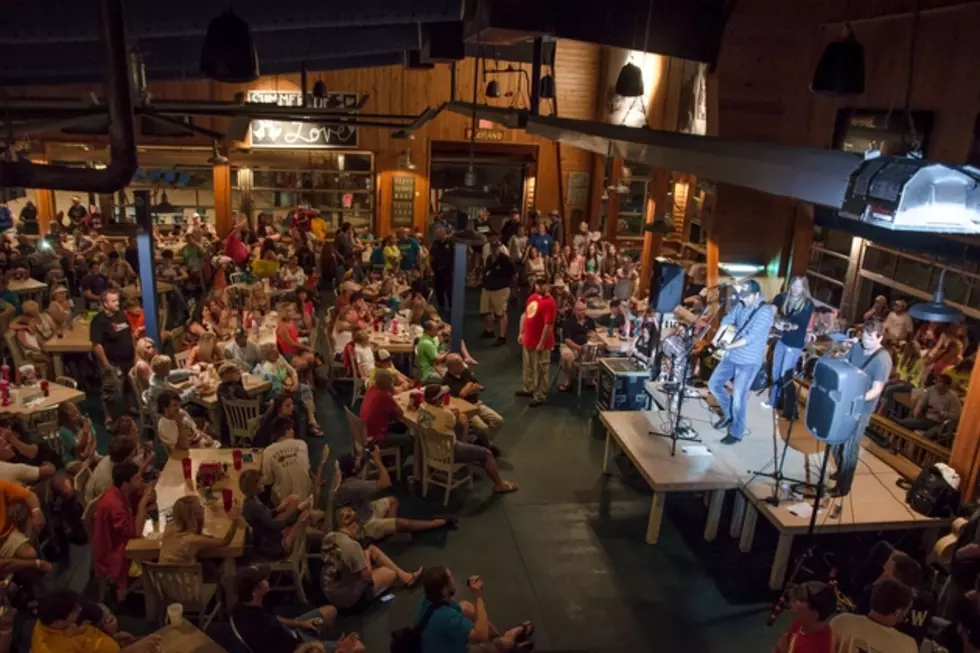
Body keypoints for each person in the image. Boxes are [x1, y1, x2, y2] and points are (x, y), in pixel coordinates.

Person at [335, 447, 455, 542]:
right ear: (352, 471)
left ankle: (392, 533)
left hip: (366, 509)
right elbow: (385, 483)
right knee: (404, 523)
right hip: (365, 524)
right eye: (355, 460)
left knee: (393, 500)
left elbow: (358, 467)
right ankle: (437, 523)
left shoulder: (346, 479)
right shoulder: (352, 486)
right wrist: (377, 461)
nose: (357, 459)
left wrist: (367, 455)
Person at [707, 279, 774, 444]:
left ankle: (736, 432)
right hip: (732, 356)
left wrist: (729, 346)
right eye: (742, 296)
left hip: (748, 361)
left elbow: (750, 338)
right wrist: (715, 340)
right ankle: (729, 415)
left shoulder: (764, 312)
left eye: (746, 297)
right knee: (714, 384)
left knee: (739, 396)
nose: (743, 299)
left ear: (756, 294)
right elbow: (728, 319)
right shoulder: (742, 304)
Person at [419, 384, 517, 494]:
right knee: (487, 454)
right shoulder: (446, 414)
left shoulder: (421, 408)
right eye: (442, 396)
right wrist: (459, 415)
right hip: (449, 452)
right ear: (438, 400)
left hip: (430, 450)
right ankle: (500, 485)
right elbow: (458, 424)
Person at [832, 319, 891, 497]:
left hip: (861, 408)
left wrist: (858, 397)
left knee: (850, 446)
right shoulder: (858, 347)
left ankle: (844, 485)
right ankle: (841, 470)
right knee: (835, 442)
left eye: (870, 339)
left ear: (880, 338)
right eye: (864, 337)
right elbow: (845, 364)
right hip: (845, 401)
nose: (866, 342)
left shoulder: (882, 360)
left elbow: (877, 389)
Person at [321, 507, 421, 610]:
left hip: (329, 589)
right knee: (391, 573)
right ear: (354, 526)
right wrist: (367, 556)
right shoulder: (352, 546)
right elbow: (367, 578)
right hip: (347, 599)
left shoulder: (330, 536)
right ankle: (399, 579)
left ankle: (407, 577)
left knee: (372, 549)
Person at [416, 566, 534, 653]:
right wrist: (478, 595)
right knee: (503, 643)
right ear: (444, 590)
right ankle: (507, 643)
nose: (453, 579)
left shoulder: (427, 600)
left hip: (433, 646)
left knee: (465, 606)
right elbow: (481, 635)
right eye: (450, 578)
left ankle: (500, 641)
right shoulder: (448, 617)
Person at [231, 564, 343, 651]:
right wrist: (320, 647)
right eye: (263, 579)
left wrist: (299, 624)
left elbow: (276, 618)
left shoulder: (244, 605)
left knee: (331, 611)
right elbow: (298, 649)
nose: (267, 580)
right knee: (357, 648)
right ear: (255, 591)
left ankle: (322, 640)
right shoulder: (265, 629)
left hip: (291, 633)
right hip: (299, 647)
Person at [93, 462, 155, 600]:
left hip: (117, 539)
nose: (141, 481)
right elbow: (136, 532)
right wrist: (143, 503)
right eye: (137, 479)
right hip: (114, 550)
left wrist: (146, 493)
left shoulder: (118, 491)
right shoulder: (114, 504)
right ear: (126, 483)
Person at [31, 589, 162, 653]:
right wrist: (130, 651)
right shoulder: (54, 649)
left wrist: (113, 638)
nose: (80, 610)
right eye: (75, 611)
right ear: (57, 622)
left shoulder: (48, 622)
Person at [239, 468, 312, 561]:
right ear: (254, 486)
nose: (264, 484)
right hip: (271, 549)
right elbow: (274, 526)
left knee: (294, 500)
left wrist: (278, 509)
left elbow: (265, 517)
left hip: (269, 538)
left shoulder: (252, 500)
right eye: (260, 483)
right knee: (302, 515)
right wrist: (298, 510)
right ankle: (291, 551)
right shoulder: (253, 507)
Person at [767, 276, 815, 412]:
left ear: (804, 288)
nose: (795, 289)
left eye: (799, 286)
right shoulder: (785, 297)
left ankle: (789, 408)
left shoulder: (807, 304)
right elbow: (774, 304)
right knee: (775, 372)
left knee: (784, 375)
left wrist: (784, 326)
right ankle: (773, 401)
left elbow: (799, 325)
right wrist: (775, 319)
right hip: (782, 341)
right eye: (793, 285)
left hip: (794, 344)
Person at [830, 578, 917, 653]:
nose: (906, 614)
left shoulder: (842, 622)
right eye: (906, 610)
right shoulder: (907, 646)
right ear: (897, 612)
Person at [442, 354, 503, 449]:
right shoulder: (446, 381)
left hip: (477, 403)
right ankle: (486, 445)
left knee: (498, 421)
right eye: (459, 363)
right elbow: (462, 395)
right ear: (452, 367)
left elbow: (478, 386)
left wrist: (468, 389)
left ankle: (483, 442)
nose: (463, 364)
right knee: (483, 428)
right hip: (466, 410)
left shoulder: (465, 372)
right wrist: (470, 385)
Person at [159, 495, 243, 564]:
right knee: (228, 562)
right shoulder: (192, 540)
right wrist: (235, 520)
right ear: (192, 516)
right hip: (183, 582)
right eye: (199, 507)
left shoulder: (169, 526)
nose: (202, 508)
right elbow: (225, 542)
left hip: (160, 581)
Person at [90, 289, 135, 406]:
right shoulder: (99, 320)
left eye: (117, 300)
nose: (117, 303)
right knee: (110, 392)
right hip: (113, 363)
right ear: (105, 303)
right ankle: (108, 417)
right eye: (114, 301)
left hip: (128, 360)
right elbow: (96, 345)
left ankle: (130, 408)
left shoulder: (121, 314)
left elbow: (129, 335)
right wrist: (106, 365)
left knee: (128, 386)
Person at [516, 278, 557, 407]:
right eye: (541, 285)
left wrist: (541, 343)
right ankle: (529, 388)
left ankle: (540, 395)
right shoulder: (532, 297)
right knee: (528, 366)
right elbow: (525, 315)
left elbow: (548, 326)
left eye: (546, 285)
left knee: (540, 369)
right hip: (528, 339)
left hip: (541, 343)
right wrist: (521, 332)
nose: (544, 287)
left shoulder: (550, 303)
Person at [773, 581, 835, 653]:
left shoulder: (814, 648)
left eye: (797, 601)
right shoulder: (803, 624)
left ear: (813, 615)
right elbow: (782, 642)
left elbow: (781, 646)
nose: (791, 603)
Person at [261, 416, 312, 504]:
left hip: (283, 503)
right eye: (291, 428)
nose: (293, 431)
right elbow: (306, 468)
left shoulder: (268, 451)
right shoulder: (302, 444)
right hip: (305, 498)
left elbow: (268, 480)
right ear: (287, 430)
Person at [480, 236, 516, 346]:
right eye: (492, 247)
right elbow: (486, 269)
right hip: (487, 287)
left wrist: (512, 287)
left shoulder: (505, 259)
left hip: (501, 289)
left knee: (500, 313)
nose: (494, 249)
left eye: (496, 247)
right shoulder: (490, 258)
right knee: (485, 310)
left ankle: (502, 336)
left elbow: (513, 273)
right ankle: (489, 330)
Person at [559, 300, 597, 392]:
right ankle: (568, 380)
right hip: (571, 346)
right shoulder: (568, 322)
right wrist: (579, 348)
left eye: (584, 309)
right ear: (575, 310)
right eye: (580, 310)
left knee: (599, 354)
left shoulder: (590, 321)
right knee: (567, 356)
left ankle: (591, 379)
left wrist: (590, 341)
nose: (583, 312)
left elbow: (593, 334)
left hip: (586, 345)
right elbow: (567, 340)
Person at [431, 226, 454, 311]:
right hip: (437, 271)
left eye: (439, 233)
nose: (437, 235)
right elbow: (432, 255)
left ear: (443, 233)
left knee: (449, 291)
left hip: (447, 271)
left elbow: (453, 256)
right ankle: (441, 306)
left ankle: (452, 307)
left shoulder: (450, 243)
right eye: (436, 234)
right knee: (438, 290)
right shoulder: (435, 243)